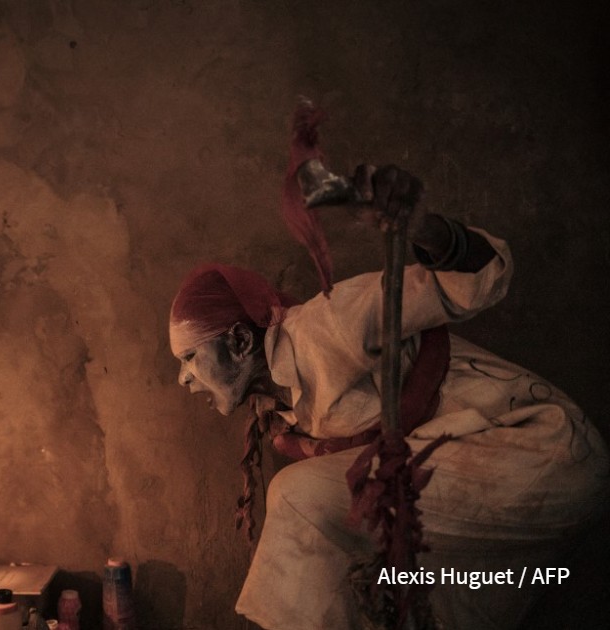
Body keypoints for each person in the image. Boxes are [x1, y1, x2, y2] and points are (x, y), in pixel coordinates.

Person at [168, 165, 609, 629]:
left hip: (544, 452)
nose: (183, 379)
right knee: (429, 601)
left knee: (297, 497)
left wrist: (421, 227)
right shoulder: (279, 410)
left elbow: (473, 280)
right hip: (497, 491)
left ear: (240, 342)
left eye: (190, 358)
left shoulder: (325, 326)